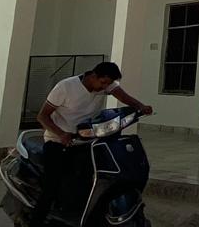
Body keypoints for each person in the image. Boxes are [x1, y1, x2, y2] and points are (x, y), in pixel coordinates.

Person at [31, 62, 153, 227]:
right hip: (58, 142)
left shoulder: (105, 85)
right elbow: (42, 116)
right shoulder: (65, 87)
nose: (105, 87)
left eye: (108, 84)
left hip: (87, 141)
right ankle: (36, 222)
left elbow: (123, 96)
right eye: (103, 83)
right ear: (93, 76)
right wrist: (61, 134)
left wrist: (140, 106)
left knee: (94, 179)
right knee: (51, 186)